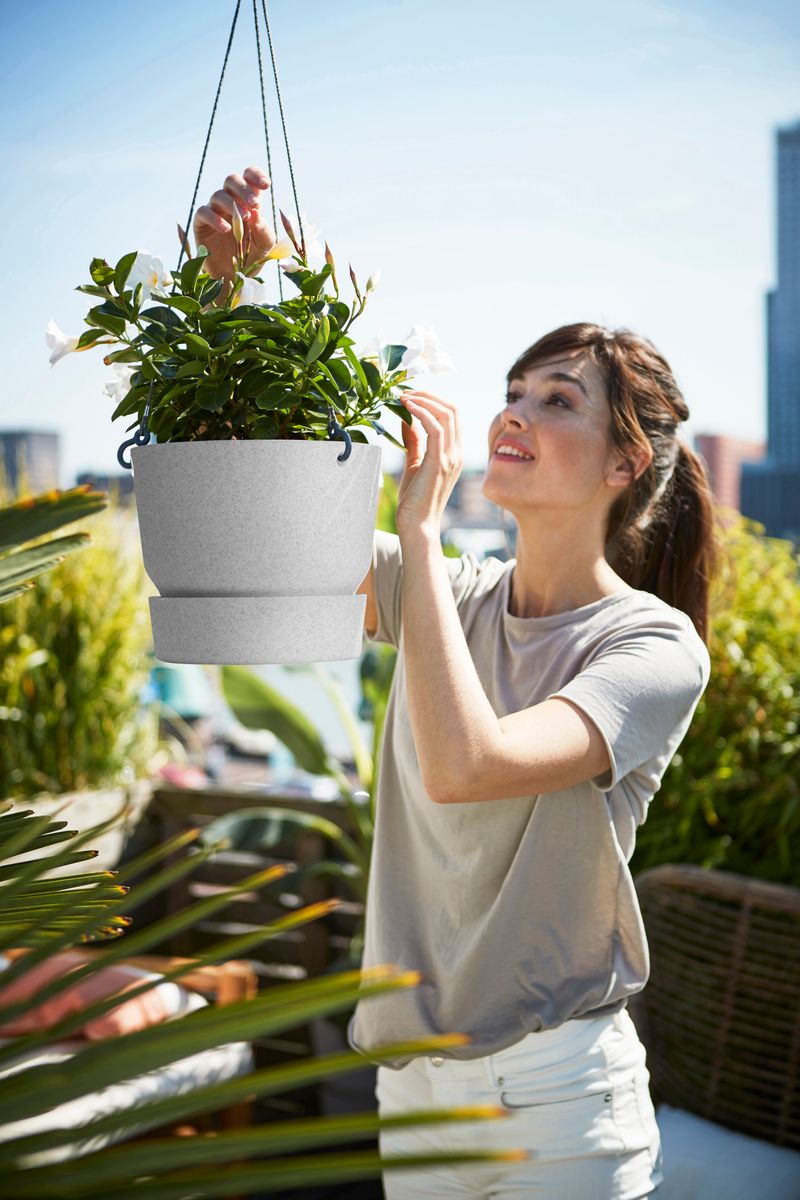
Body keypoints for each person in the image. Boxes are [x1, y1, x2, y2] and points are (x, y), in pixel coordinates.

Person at [195, 168, 719, 1199]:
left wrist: (420, 529)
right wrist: (238, 295)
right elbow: (254, 519)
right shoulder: (451, 594)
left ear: (624, 463)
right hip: (416, 1096)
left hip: (559, 1097)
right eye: (511, 393)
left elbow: (466, 766)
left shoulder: (649, 647)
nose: (510, 415)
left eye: (555, 401)